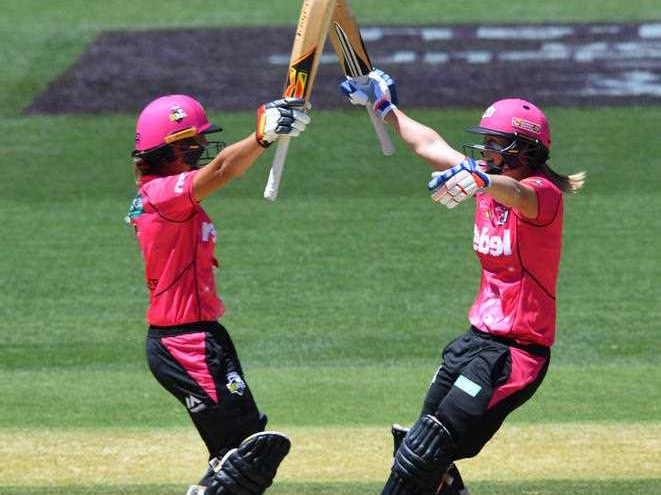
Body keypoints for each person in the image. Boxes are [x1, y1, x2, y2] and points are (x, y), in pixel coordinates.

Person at [340, 70, 585, 495]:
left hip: (515, 354)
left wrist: (484, 179)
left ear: (524, 149)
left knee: (426, 449)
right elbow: (429, 144)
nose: (485, 150)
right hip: (474, 342)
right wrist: (384, 108)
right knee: (419, 451)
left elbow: (517, 194)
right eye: (485, 143)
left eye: (494, 143)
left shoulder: (542, 194)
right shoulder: (483, 179)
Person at [126, 94, 310, 495]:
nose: (199, 150)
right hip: (185, 342)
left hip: (200, 337)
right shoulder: (163, 193)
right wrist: (262, 136)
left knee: (242, 453)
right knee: (247, 456)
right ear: (168, 149)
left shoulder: (165, 196)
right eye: (191, 144)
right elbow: (224, 167)